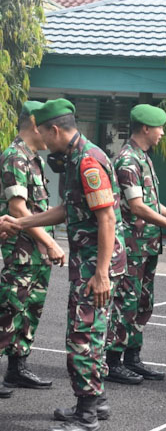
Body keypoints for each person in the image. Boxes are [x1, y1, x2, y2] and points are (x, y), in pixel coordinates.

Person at [19, 98, 126, 431]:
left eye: (44, 135)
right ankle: (96, 401)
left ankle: (87, 415)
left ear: (54, 129)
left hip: (97, 264)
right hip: (91, 261)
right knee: (91, 333)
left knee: (83, 336)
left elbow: (107, 218)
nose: (42, 142)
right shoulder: (76, 157)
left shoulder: (87, 162)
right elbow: (68, 209)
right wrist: (20, 223)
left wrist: (101, 274)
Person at [104, 104, 166, 385]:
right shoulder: (127, 161)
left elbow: (153, 204)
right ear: (146, 128)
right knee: (125, 304)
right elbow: (138, 207)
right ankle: (113, 362)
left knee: (143, 303)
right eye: (160, 128)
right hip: (131, 248)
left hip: (147, 247)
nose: (162, 133)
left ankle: (133, 357)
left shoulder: (143, 158)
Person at [0, 101, 65, 398]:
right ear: (36, 123)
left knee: (30, 310)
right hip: (21, 249)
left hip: (36, 250)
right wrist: (50, 242)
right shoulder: (15, 156)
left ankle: (17, 368)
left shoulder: (33, 158)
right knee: (9, 308)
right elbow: (17, 209)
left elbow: (37, 208)